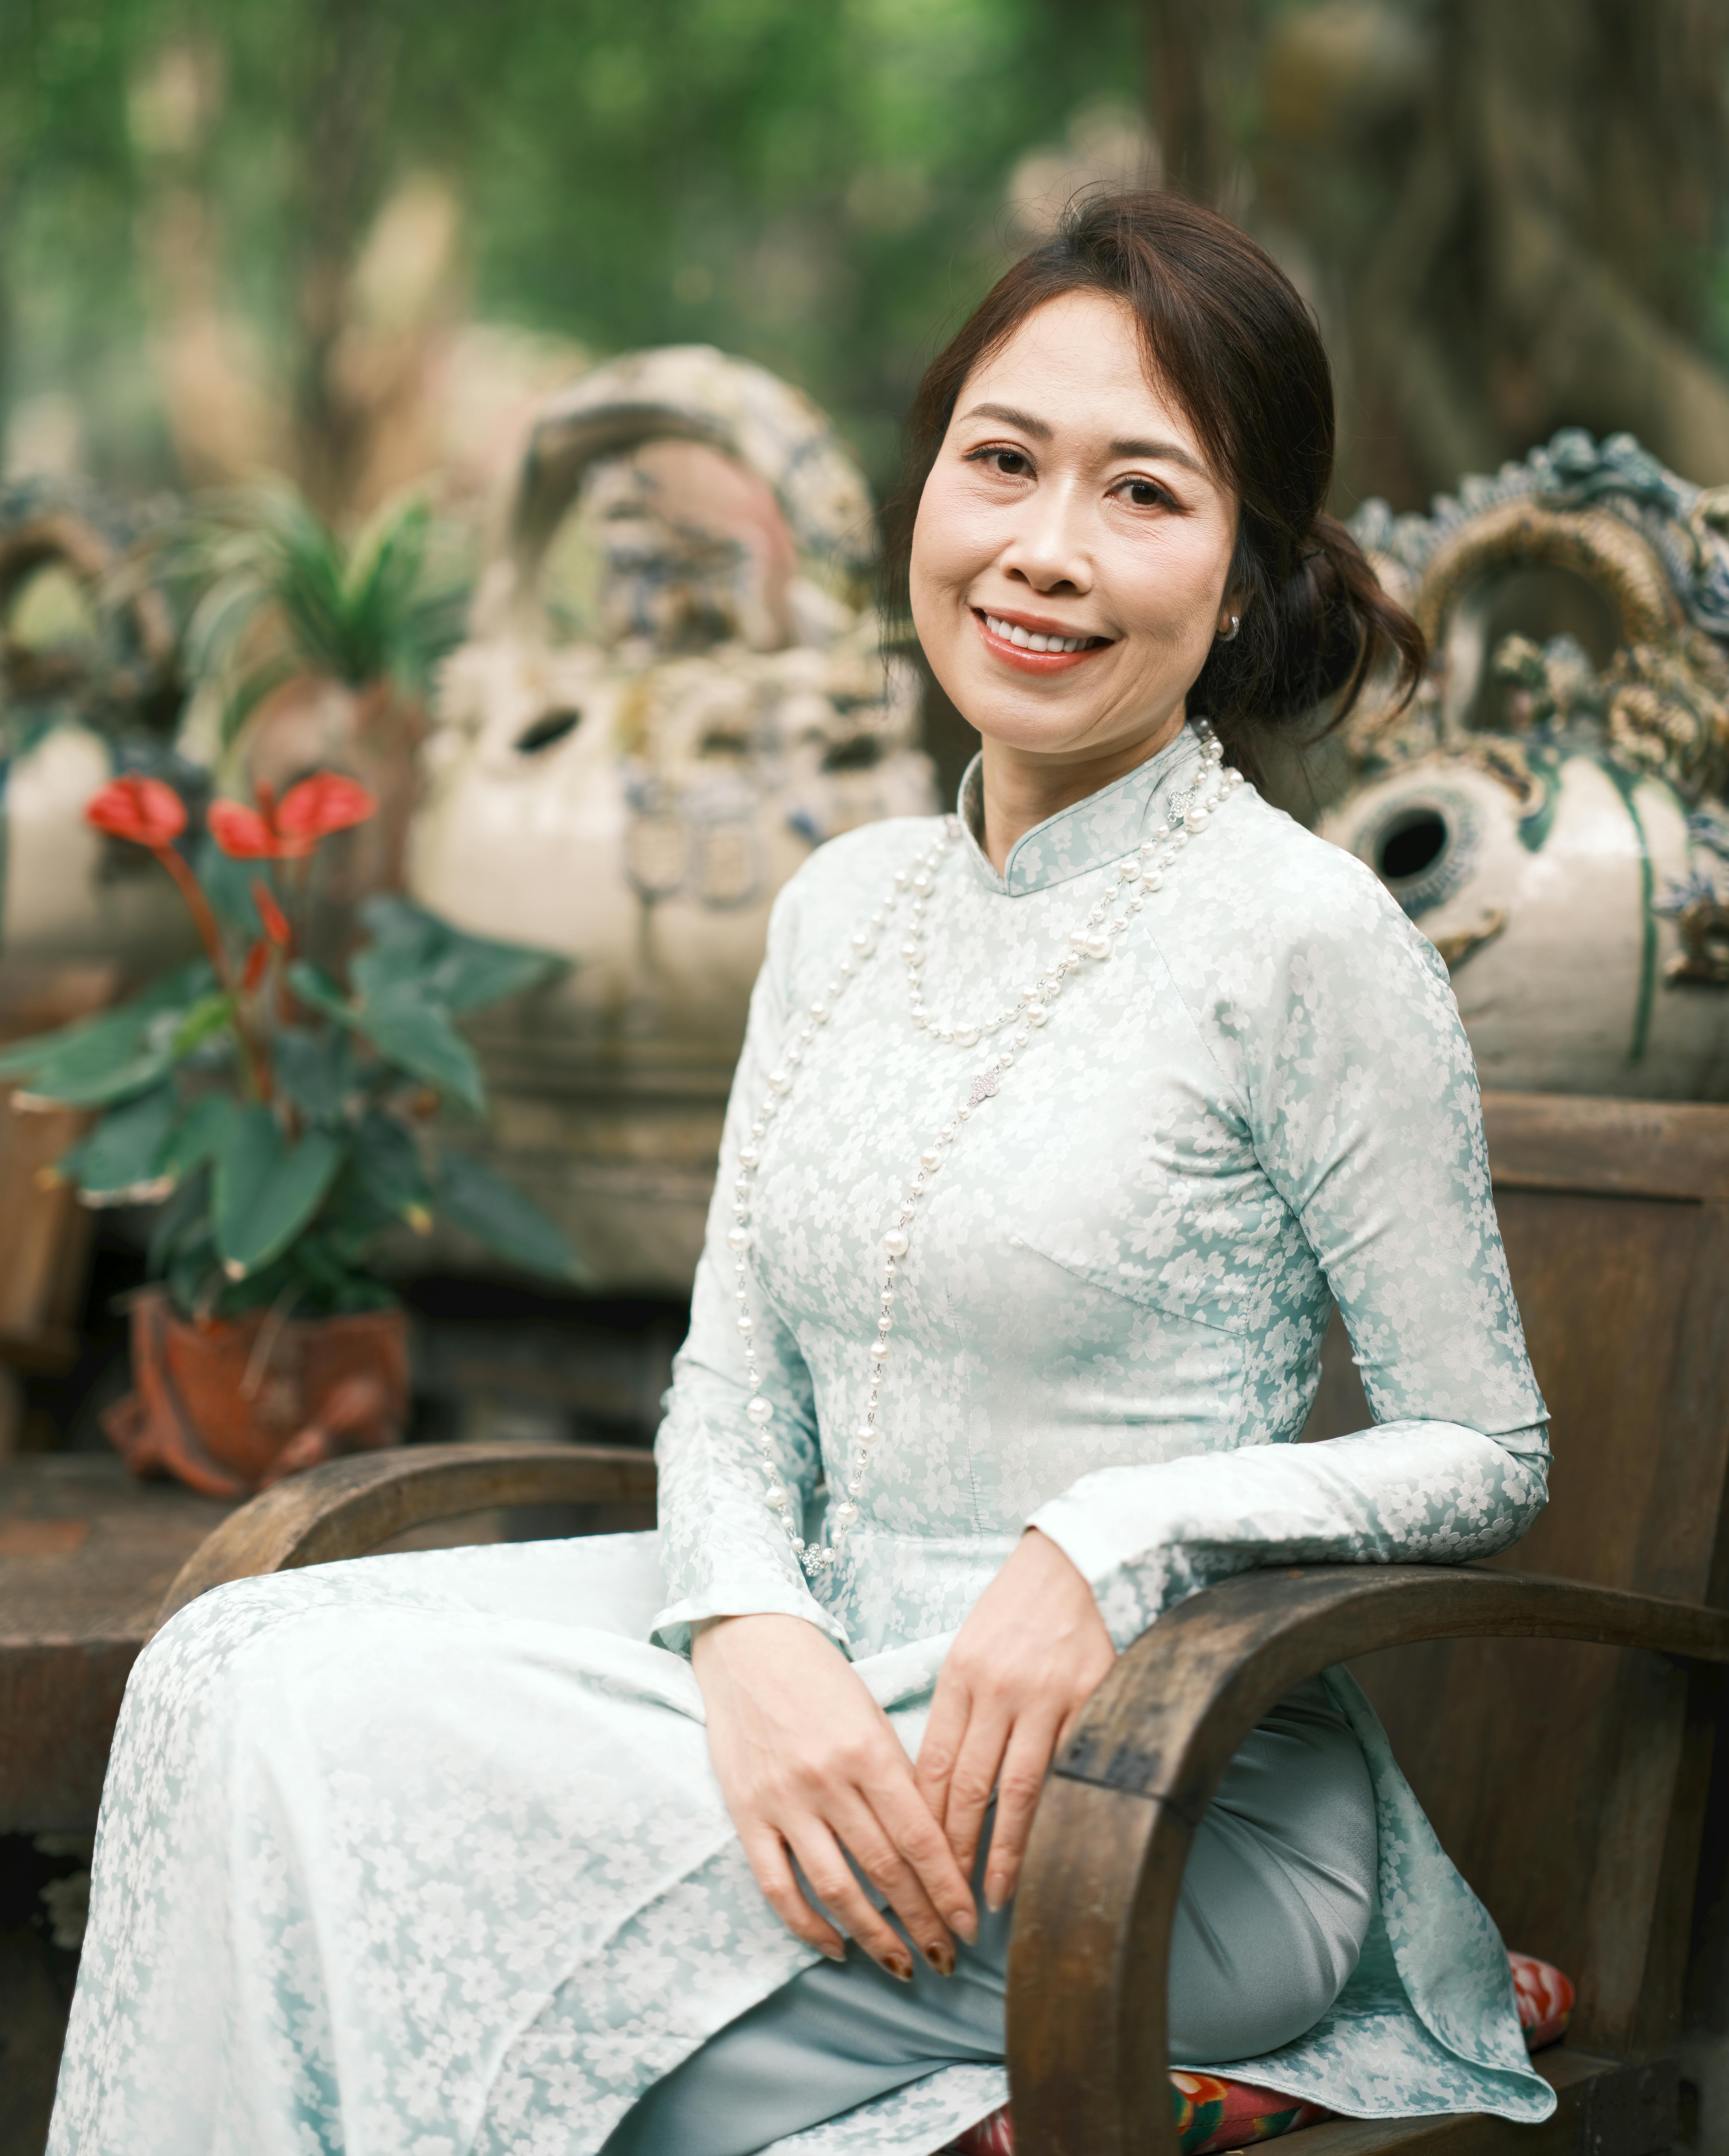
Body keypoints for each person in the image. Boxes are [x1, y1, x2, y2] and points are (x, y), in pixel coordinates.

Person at [49, 191, 1553, 2156]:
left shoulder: (1307, 940)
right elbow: (732, 1373)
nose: (1044, 549)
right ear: (922, 490)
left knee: (404, 1875)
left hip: (1133, 1803)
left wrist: (1115, 1537)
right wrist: (748, 1637)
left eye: (1143, 495)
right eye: (1001, 463)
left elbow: (1489, 1445)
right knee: (232, 1668)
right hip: (812, 1695)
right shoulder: (843, 908)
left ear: (1249, 575)